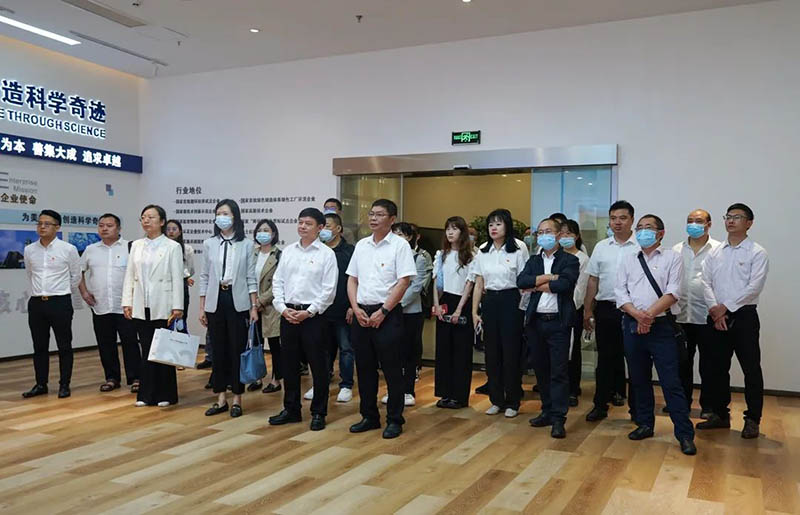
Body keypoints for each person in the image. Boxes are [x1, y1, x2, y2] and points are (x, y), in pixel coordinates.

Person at [615, 214, 696, 455]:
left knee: (671, 382)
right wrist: (637, 316)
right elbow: (620, 292)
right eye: (639, 227)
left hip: (661, 327)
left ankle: (684, 434)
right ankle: (645, 424)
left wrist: (648, 316)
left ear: (661, 233)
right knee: (639, 379)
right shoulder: (628, 258)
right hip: (632, 325)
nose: (642, 232)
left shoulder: (673, 257)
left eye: (648, 227)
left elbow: (673, 292)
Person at [697, 203, 769, 439]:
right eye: (728, 216)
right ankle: (720, 414)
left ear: (749, 223)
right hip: (716, 315)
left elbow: (754, 287)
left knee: (751, 369)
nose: (730, 220)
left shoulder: (757, 252)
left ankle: (753, 419)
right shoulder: (715, 251)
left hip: (744, 316)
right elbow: (705, 282)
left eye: (737, 217)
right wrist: (716, 311)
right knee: (716, 368)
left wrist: (725, 307)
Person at [346, 199, 416, 439]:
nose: (373, 218)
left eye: (379, 214)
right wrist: (355, 307)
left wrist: (384, 311)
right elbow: (352, 279)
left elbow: (404, 282)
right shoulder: (361, 245)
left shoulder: (400, 246)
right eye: (371, 214)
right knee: (365, 368)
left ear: (392, 219)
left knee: (392, 369)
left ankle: (395, 419)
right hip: (362, 313)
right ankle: (369, 416)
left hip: (388, 313)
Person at [268, 208, 338, 430]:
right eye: (300, 222)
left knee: (318, 366)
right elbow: (277, 282)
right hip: (288, 314)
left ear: (320, 228)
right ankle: (291, 409)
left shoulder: (326, 254)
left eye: (308, 223)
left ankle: (318, 412)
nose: (302, 226)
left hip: (314, 317)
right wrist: (282, 308)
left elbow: (329, 290)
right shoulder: (289, 251)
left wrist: (309, 312)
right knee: (289, 365)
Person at [518, 218, 579, 438]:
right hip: (535, 322)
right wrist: (547, 278)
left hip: (558, 322)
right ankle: (546, 410)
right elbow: (521, 281)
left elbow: (565, 284)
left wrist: (536, 284)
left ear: (559, 235)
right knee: (541, 369)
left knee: (559, 372)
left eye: (548, 231)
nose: (544, 236)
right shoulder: (534, 260)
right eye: (540, 232)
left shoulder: (570, 260)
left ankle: (558, 418)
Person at [199, 199, 258, 418]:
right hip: (216, 301)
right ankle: (221, 398)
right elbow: (204, 277)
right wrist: (202, 307)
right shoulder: (209, 243)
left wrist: (253, 306)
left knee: (236, 350)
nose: (221, 217)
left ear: (235, 217)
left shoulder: (247, 244)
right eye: (218, 213)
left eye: (225, 213)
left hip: (238, 301)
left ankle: (237, 399)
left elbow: (251, 278)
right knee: (218, 350)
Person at [122, 204, 184, 407]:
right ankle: (146, 395)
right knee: (147, 349)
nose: (146, 220)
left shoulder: (172, 247)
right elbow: (130, 275)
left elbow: (177, 278)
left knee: (163, 351)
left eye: (151, 217)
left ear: (162, 221)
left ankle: (166, 394)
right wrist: (127, 301)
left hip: (163, 304)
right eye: (143, 217)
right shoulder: (136, 245)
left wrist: (178, 306)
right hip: (142, 304)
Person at [583, 200, 639, 422]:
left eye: (623, 218)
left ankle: (638, 410)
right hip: (606, 309)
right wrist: (588, 309)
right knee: (605, 360)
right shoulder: (601, 247)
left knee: (635, 361)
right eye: (613, 218)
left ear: (632, 220)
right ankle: (600, 405)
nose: (617, 222)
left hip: (634, 311)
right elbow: (593, 280)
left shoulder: (641, 246)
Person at [471, 208, 529, 418]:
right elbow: (479, 283)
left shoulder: (519, 247)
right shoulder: (483, 249)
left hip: (512, 300)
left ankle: (513, 400)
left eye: (498, 224)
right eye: (490, 224)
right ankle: (496, 399)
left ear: (507, 225)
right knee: (492, 353)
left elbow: (525, 282)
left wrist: (524, 310)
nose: (493, 228)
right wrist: (474, 311)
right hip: (490, 301)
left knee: (511, 352)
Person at [78, 213, 141, 393]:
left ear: (119, 228)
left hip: (126, 306)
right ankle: (112, 378)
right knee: (105, 344)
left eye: (109, 225)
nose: (104, 228)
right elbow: (79, 272)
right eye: (101, 225)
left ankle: (136, 377)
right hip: (100, 305)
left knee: (130, 342)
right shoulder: (91, 249)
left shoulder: (131, 247)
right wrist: (84, 292)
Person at [22, 209, 81, 399]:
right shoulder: (30, 250)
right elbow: (30, 274)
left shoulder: (68, 249)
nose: (42, 227)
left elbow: (76, 276)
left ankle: (64, 384)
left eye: (47, 224)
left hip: (60, 302)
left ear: (57, 227)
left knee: (64, 345)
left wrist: (62, 291)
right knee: (39, 346)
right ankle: (41, 384)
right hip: (37, 303)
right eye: (39, 223)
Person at [671, 209, 721, 418]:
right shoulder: (676, 249)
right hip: (681, 315)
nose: (693, 224)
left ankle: (708, 406)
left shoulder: (719, 249)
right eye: (690, 220)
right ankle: (681, 403)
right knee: (681, 363)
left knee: (709, 364)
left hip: (708, 315)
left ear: (709, 224)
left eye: (699, 221)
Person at [432, 216, 476, 409]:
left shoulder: (470, 256)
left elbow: (469, 284)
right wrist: (436, 304)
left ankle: (459, 396)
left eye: (455, 229)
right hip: (444, 301)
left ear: (462, 232)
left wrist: (459, 309)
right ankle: (445, 393)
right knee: (443, 350)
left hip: (462, 302)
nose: (450, 232)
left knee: (461, 351)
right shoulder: (441, 255)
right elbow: (436, 282)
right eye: (448, 228)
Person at [388, 222, 430, 407]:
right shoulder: (389, 255)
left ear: (409, 237)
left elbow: (416, 287)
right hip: (389, 310)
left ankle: (408, 390)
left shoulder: (419, 257)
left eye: (401, 234)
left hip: (410, 311)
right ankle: (393, 390)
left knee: (409, 352)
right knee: (393, 352)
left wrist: (394, 303)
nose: (397, 238)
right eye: (394, 234)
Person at [320, 212, 356, 402]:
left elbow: (356, 280)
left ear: (338, 229)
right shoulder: (318, 250)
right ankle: (321, 383)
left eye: (327, 226)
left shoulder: (349, 251)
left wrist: (352, 305)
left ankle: (346, 385)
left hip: (343, 308)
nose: (323, 230)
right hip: (322, 309)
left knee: (346, 348)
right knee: (322, 349)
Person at [249, 219, 283, 394]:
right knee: (256, 344)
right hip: (252, 306)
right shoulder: (252, 254)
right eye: (260, 230)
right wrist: (253, 304)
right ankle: (257, 377)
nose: (262, 233)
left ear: (274, 234)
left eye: (266, 230)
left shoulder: (279, 255)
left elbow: (278, 283)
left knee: (275, 345)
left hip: (271, 307)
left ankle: (276, 380)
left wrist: (260, 301)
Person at [558, 220, 590, 407]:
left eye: (569, 233)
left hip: (572, 309)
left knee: (572, 350)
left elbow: (581, 288)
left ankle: (572, 389)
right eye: (561, 233)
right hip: (551, 309)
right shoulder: (554, 255)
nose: (565, 237)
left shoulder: (582, 259)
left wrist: (569, 305)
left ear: (576, 236)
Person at [165, 220, 195, 332]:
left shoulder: (187, 249)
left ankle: (180, 341)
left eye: (174, 229)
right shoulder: (162, 247)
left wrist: (186, 277)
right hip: (165, 285)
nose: (171, 232)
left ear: (180, 231)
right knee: (165, 320)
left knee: (180, 320)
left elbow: (190, 269)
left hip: (181, 285)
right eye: (168, 229)